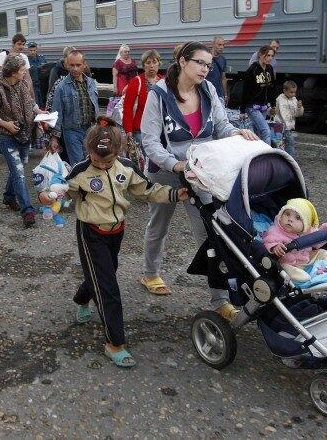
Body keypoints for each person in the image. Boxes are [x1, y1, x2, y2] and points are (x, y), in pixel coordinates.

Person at [140, 41, 258, 318]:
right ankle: (150, 273)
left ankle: (218, 299)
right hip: (166, 173)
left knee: (210, 233)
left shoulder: (208, 90)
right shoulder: (158, 94)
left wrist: (236, 133)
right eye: (200, 63)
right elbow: (150, 142)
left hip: (201, 173)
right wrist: (176, 164)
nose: (206, 69)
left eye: (208, 64)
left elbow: (221, 125)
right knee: (159, 224)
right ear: (183, 61)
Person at [65, 117, 188, 368]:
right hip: (91, 232)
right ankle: (115, 343)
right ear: (88, 151)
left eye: (107, 161)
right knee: (108, 287)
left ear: (118, 152)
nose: (101, 165)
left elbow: (147, 190)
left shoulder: (127, 167)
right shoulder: (79, 171)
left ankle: (81, 299)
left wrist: (175, 193)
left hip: (116, 231)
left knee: (105, 274)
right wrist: (50, 195)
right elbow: (63, 194)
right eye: (96, 160)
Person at [0, 54, 43, 228]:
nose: (25, 72)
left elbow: (30, 103)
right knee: (19, 173)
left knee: (18, 170)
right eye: (22, 70)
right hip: (6, 137)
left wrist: (40, 112)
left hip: (24, 135)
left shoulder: (22, 84)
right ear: (14, 72)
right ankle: (28, 211)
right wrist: (6, 124)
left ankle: (9, 197)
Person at [263, 198, 327, 282]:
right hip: (288, 262)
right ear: (280, 215)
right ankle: (299, 277)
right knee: (283, 266)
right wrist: (275, 247)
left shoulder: (307, 231)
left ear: (305, 224)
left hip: (306, 258)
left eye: (298, 218)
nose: (290, 219)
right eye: (287, 214)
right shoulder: (275, 231)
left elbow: (317, 240)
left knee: (322, 252)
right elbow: (268, 241)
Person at [49, 50, 98, 165]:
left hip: (90, 130)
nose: (75, 68)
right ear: (66, 65)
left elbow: (94, 107)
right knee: (78, 165)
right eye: (72, 65)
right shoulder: (61, 87)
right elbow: (56, 113)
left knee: (92, 162)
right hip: (72, 131)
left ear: (84, 65)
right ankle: (78, 183)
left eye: (78, 65)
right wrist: (54, 138)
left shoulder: (91, 83)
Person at [122, 49, 164, 145]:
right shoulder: (136, 82)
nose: (151, 66)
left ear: (159, 64)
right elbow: (127, 108)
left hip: (161, 130)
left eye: (154, 62)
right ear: (143, 65)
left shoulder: (164, 82)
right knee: (144, 159)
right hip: (140, 131)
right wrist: (128, 129)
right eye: (148, 62)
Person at [240, 44, 278, 145]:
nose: (270, 58)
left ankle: (257, 155)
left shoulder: (270, 69)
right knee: (266, 131)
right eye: (268, 55)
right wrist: (242, 110)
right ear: (260, 55)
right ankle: (267, 157)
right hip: (253, 106)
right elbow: (245, 90)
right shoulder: (252, 70)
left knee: (258, 132)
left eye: (272, 56)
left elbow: (272, 88)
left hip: (264, 106)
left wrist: (273, 105)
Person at [0, 34, 34, 98]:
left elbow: (28, 78)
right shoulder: (3, 55)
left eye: (23, 44)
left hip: (20, 91)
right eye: (19, 44)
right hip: (6, 91)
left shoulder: (24, 57)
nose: (21, 47)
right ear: (13, 44)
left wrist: (29, 94)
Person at [275, 80, 304, 157]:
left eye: (294, 92)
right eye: (291, 92)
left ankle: (284, 158)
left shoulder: (294, 99)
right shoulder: (280, 99)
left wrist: (299, 107)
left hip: (288, 127)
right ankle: (291, 159)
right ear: (284, 90)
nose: (293, 94)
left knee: (282, 143)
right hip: (280, 125)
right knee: (288, 142)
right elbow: (283, 114)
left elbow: (298, 114)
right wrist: (287, 127)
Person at [207, 36, 228, 104]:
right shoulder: (206, 58)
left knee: (220, 114)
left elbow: (223, 78)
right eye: (219, 45)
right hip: (207, 93)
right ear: (213, 44)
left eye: (223, 45)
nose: (222, 47)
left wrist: (225, 95)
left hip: (219, 94)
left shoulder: (223, 59)